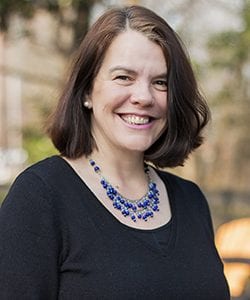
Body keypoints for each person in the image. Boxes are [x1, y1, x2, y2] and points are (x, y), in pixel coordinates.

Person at [0, 5, 230, 299]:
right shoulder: (40, 198)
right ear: (86, 92)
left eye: (160, 82)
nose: (144, 97)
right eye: (124, 77)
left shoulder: (191, 201)